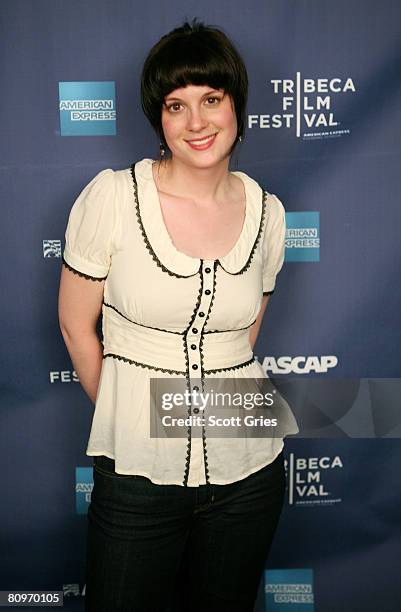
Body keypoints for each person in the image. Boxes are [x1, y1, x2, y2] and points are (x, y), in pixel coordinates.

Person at [58, 18, 298, 612]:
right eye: (176, 104)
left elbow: (244, 334)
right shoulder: (112, 197)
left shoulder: (268, 213)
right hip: (137, 477)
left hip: (250, 472)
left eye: (211, 100)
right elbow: (74, 325)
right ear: (159, 119)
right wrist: (130, 416)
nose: (197, 122)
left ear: (236, 107)